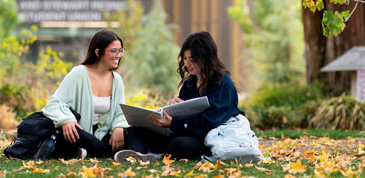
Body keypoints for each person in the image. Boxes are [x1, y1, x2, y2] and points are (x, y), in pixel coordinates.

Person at [116, 31, 245, 162]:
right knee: (135, 130)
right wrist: (173, 110)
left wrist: (173, 123)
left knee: (178, 144)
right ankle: (139, 156)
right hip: (185, 133)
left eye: (192, 59)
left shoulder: (222, 83)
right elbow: (183, 118)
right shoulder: (190, 83)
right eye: (185, 58)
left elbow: (209, 123)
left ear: (206, 58)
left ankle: (154, 155)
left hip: (210, 137)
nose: (187, 64)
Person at [42, 29, 129, 158]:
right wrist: (67, 120)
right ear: (98, 52)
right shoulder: (78, 74)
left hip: (98, 132)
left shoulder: (117, 80)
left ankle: (82, 151)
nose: (118, 55)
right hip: (77, 130)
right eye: (113, 51)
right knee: (79, 135)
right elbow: (54, 104)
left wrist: (119, 127)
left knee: (129, 132)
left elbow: (120, 112)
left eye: (120, 50)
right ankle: (100, 151)